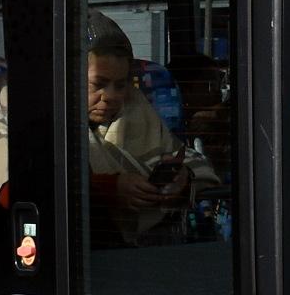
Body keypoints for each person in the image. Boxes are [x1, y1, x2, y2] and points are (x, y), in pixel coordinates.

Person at [83, 16, 202, 246]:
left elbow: (184, 157)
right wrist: (107, 190)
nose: (111, 96)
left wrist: (183, 179)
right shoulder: (43, 120)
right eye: (98, 84)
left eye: (120, 85)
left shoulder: (136, 107)